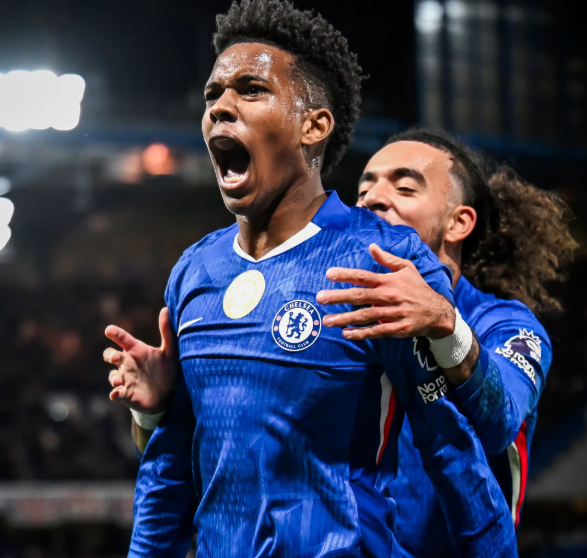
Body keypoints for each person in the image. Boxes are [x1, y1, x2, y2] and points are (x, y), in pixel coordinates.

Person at [103, 1, 516, 557]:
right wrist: (153, 413)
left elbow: (458, 455)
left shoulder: (383, 260)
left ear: (313, 126)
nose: (220, 107)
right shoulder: (195, 271)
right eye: (212, 95)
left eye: (251, 89)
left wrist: (446, 324)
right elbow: (169, 466)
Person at [316, 129, 577, 557]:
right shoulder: (341, 317)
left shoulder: (506, 325)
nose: (372, 199)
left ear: (459, 223)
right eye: (363, 189)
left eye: (404, 188)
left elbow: (501, 417)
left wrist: (443, 322)